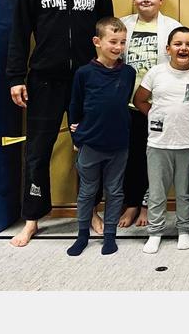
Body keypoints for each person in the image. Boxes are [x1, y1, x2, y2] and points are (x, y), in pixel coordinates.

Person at [7, 0, 114, 247]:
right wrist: (16, 79)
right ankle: (32, 218)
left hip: (86, 79)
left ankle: (91, 211)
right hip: (44, 80)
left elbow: (107, 34)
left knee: (89, 149)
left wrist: (105, 74)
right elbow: (19, 35)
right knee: (38, 152)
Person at [66, 17, 135, 256]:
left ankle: (109, 235)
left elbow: (123, 104)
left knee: (115, 191)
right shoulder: (84, 73)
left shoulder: (128, 73)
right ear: (97, 41)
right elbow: (74, 106)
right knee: (87, 191)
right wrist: (77, 139)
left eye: (123, 42)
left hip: (118, 144)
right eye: (113, 41)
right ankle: (82, 234)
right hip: (91, 143)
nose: (118, 47)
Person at [133, 27, 189, 254]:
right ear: (168, 49)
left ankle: (184, 229)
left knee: (185, 191)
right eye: (178, 44)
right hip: (158, 144)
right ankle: (155, 232)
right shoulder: (156, 73)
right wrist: (156, 116)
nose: (183, 48)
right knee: (157, 191)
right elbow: (140, 100)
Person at [119, 0, 183, 228]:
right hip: (128, 103)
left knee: (153, 158)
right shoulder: (123, 25)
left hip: (158, 104)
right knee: (130, 156)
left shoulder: (171, 27)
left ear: (161, 0)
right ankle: (132, 203)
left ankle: (148, 204)